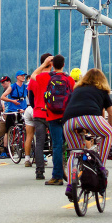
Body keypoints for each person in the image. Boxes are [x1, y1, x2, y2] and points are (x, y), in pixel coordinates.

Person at [61, 68, 112, 201]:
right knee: (108, 133)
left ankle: (70, 185)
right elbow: (111, 112)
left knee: (74, 152)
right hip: (90, 118)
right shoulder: (101, 90)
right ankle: (100, 166)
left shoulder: (77, 89)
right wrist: (110, 125)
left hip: (69, 121)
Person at [30, 54, 75, 186]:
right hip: (66, 116)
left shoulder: (46, 77)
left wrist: (44, 65)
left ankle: (57, 176)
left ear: (52, 64)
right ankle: (68, 171)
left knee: (56, 146)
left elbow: (33, 75)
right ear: (64, 65)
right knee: (65, 145)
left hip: (52, 115)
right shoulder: (69, 79)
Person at [27, 53, 53, 180]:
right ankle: (60, 168)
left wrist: (36, 105)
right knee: (58, 141)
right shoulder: (54, 76)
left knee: (40, 143)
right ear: (52, 64)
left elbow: (30, 98)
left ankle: (39, 171)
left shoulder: (35, 78)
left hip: (38, 112)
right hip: (53, 113)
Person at [0, 70, 28, 159]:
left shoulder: (25, 87)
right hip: (11, 111)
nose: (23, 77)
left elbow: (28, 98)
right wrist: (12, 101)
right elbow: (2, 97)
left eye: (24, 76)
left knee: (24, 129)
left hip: (21, 111)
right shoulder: (12, 87)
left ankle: (24, 149)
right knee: (8, 131)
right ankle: (5, 150)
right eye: (21, 75)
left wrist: (26, 109)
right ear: (17, 77)